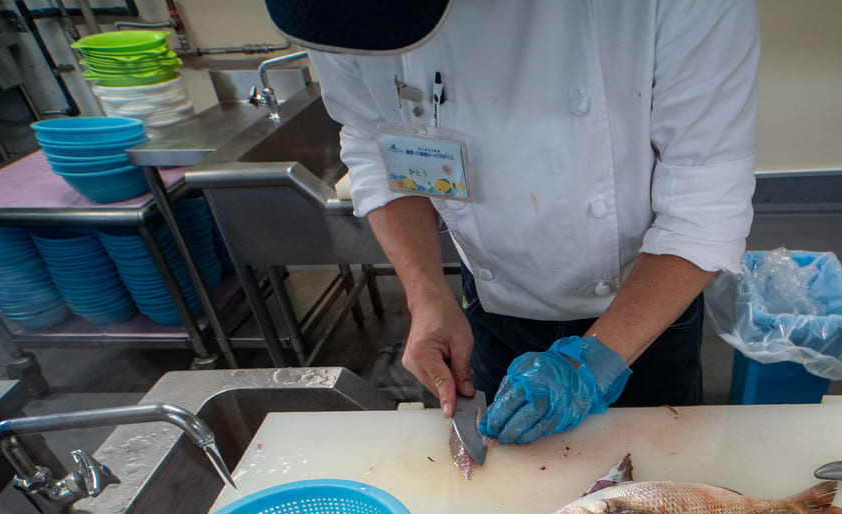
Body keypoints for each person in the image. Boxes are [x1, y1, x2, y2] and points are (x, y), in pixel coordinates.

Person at [264, 0, 758, 444]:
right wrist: (426, 294)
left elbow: (704, 199)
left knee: (650, 494)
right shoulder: (336, 16)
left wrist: (591, 365)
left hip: (646, 309)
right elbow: (375, 141)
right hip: (493, 309)